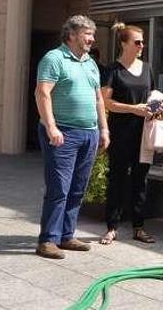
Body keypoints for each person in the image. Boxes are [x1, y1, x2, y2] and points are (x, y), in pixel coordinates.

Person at [34, 15, 109, 259]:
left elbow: (99, 98)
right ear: (72, 34)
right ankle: (48, 240)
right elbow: (42, 93)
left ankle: (66, 235)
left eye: (92, 35)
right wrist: (51, 127)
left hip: (89, 133)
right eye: (88, 34)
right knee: (59, 188)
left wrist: (103, 129)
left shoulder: (90, 62)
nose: (91, 39)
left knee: (78, 188)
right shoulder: (54, 59)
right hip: (63, 133)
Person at [99, 23, 160, 245]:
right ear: (124, 44)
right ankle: (112, 227)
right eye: (137, 42)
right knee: (117, 179)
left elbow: (152, 94)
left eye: (143, 42)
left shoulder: (147, 68)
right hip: (121, 133)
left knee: (140, 180)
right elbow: (106, 102)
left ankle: (138, 227)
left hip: (143, 134)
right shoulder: (113, 71)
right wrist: (134, 108)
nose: (142, 45)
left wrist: (160, 106)